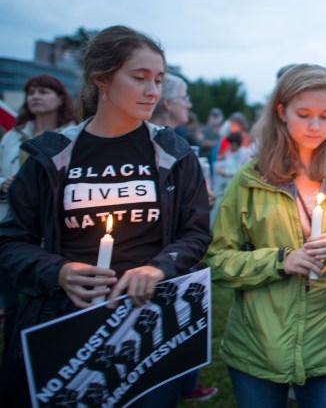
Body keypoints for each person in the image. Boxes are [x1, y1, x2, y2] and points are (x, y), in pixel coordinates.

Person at [0, 25, 212, 407]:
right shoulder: (52, 156)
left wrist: (160, 267)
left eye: (159, 80)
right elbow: (11, 242)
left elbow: (195, 233)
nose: (153, 91)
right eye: (140, 77)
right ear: (101, 80)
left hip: (147, 323)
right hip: (64, 319)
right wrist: (59, 271)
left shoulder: (173, 152)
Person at [205, 64, 326, 407]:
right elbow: (216, 259)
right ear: (281, 112)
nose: (316, 126)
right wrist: (279, 260)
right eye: (303, 114)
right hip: (258, 346)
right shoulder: (251, 178)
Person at [150, 73, 218, 402]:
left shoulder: (178, 143)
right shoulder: (159, 145)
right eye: (184, 98)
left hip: (176, 260)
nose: (189, 105)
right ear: (167, 103)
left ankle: (183, 385)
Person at [0, 74, 77, 358]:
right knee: (13, 300)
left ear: (60, 98)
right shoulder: (12, 135)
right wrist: (3, 184)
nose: (35, 96)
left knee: (49, 300)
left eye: (43, 91)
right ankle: (15, 359)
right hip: (13, 226)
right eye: (31, 91)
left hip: (54, 230)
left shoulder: (72, 136)